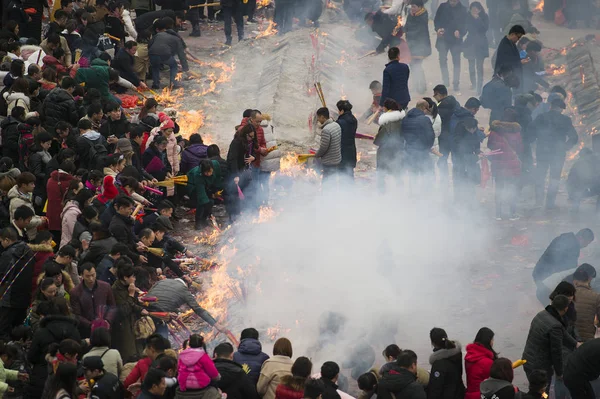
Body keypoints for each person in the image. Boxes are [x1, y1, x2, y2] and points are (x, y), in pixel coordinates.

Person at [531, 97, 579, 209]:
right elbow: (574, 137)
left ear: (551, 106)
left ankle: (538, 202)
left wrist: (534, 142)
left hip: (542, 151)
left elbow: (532, 131)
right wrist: (566, 146)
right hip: (558, 153)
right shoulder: (565, 120)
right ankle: (550, 203)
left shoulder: (541, 117)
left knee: (540, 176)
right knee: (554, 178)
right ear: (561, 109)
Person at [522, 295, 577, 385]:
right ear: (566, 309)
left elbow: (563, 332)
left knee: (534, 391)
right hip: (540, 368)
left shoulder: (541, 314)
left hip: (528, 360)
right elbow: (556, 352)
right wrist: (559, 373)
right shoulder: (555, 326)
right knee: (542, 394)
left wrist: (575, 344)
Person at [533, 229, 594, 304]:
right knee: (556, 303)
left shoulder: (566, 238)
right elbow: (570, 271)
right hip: (545, 277)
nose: (585, 246)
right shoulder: (573, 246)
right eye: (586, 243)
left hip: (539, 273)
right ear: (581, 238)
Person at [147, 278, 224, 338]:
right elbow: (198, 309)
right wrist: (216, 324)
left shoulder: (162, 281)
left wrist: (176, 311)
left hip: (143, 309)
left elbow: (157, 296)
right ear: (186, 284)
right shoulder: (183, 289)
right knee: (161, 338)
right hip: (159, 315)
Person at [0, 227, 34, 338]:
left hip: (8, 298)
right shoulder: (28, 251)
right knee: (18, 329)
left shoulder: (8, 254)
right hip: (24, 297)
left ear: (6, 240)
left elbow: (2, 277)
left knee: (3, 329)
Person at [487, 117, 523, 220]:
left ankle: (498, 214)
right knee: (512, 189)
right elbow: (520, 148)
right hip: (512, 166)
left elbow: (490, 146)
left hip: (498, 165)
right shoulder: (516, 132)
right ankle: (512, 213)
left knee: (499, 189)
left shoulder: (494, 132)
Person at [111, 263, 148, 361]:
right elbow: (124, 310)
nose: (135, 279)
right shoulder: (115, 290)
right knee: (130, 356)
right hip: (124, 328)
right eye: (132, 276)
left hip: (134, 324)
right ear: (125, 278)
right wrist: (131, 295)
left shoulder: (128, 287)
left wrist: (139, 306)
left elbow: (132, 305)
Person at [69, 262, 115, 338]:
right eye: (87, 276)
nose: (91, 279)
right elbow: (77, 314)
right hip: (86, 331)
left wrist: (107, 320)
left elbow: (112, 306)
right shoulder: (75, 292)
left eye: (93, 275)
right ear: (82, 276)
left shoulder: (106, 287)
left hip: (105, 329)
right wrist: (91, 324)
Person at [434, 0, 466, 91]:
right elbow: (437, 20)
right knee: (442, 60)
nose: (452, 2)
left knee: (456, 62)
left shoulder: (463, 9)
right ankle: (445, 80)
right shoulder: (442, 7)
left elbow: (465, 25)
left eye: (454, 1)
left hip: (456, 40)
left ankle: (456, 83)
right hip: (443, 38)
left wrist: (460, 32)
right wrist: (438, 29)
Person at [374, 99, 405, 192]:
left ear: (387, 108)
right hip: (399, 149)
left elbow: (379, 139)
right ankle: (400, 192)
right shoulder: (401, 119)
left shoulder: (386, 122)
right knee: (397, 172)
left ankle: (381, 193)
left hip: (385, 151)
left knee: (381, 173)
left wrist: (376, 140)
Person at [402, 100, 435, 181]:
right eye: (427, 109)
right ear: (423, 108)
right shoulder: (424, 119)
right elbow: (430, 136)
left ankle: (413, 192)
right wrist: (427, 147)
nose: (427, 112)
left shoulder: (405, 118)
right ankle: (424, 192)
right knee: (427, 175)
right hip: (422, 152)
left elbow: (402, 134)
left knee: (413, 176)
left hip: (409, 151)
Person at [427, 328, 465, 399]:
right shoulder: (456, 354)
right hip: (459, 393)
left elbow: (435, 390)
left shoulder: (439, 363)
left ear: (432, 343)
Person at [148, 18, 184, 90]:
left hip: (152, 54)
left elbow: (150, 44)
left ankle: (156, 84)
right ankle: (173, 83)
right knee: (173, 65)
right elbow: (180, 53)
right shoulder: (175, 38)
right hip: (164, 55)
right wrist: (185, 67)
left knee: (155, 67)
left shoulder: (158, 35)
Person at [403, 0, 430, 95]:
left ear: (419, 7)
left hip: (420, 46)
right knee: (413, 65)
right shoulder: (411, 14)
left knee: (417, 66)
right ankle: (416, 85)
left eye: (414, 7)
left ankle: (422, 86)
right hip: (411, 45)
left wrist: (408, 32)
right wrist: (403, 29)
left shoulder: (423, 15)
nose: (412, 9)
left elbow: (419, 30)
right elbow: (407, 25)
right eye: (412, 7)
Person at [463, 2, 489, 94]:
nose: (474, 11)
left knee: (479, 67)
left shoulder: (484, 17)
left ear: (480, 9)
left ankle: (479, 86)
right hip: (470, 44)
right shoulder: (468, 17)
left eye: (476, 9)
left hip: (481, 44)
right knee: (471, 66)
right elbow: (465, 28)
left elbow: (484, 28)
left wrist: (477, 19)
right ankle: (473, 83)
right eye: (472, 9)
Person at [465, 328, 497, 399]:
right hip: (482, 395)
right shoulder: (487, 362)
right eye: (492, 339)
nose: (493, 342)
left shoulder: (469, 355)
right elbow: (496, 380)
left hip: (470, 394)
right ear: (488, 341)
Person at [567, 148, 600, 214]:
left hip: (590, 187)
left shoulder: (596, 163)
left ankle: (598, 211)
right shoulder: (578, 164)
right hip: (581, 189)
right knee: (577, 191)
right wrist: (571, 193)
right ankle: (574, 209)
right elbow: (571, 180)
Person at [314, 107, 342, 182]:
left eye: (318, 118)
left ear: (322, 117)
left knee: (327, 182)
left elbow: (323, 147)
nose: (318, 120)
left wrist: (316, 155)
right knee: (333, 180)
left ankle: (327, 193)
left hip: (329, 161)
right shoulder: (336, 125)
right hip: (337, 158)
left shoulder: (326, 130)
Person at [572, 268, 600, 342]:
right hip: (587, 337)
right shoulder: (596, 296)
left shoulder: (568, 294)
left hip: (570, 337)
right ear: (588, 280)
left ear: (575, 282)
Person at [336, 100, 358, 179]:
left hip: (342, 152)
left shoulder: (340, 122)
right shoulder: (354, 120)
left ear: (342, 110)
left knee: (342, 177)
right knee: (349, 175)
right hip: (351, 151)